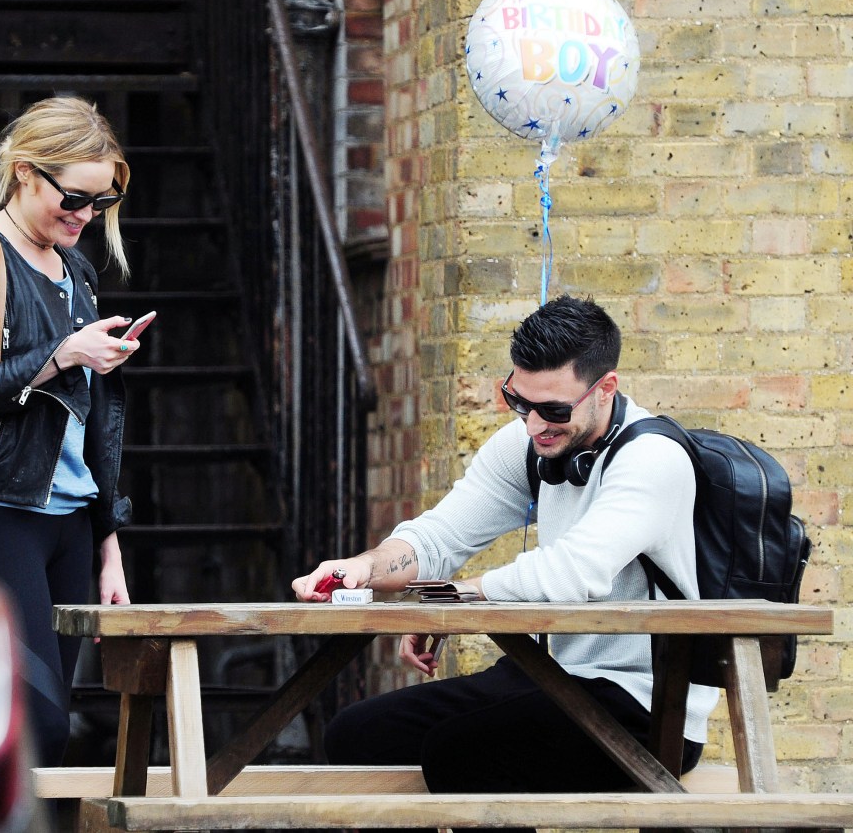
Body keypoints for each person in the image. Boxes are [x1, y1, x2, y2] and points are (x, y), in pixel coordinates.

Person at [292, 294, 719, 805]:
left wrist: (449, 598)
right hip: (545, 677)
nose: (535, 424)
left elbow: (570, 573)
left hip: (645, 705)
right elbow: (440, 537)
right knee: (358, 736)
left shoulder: (652, 459)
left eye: (554, 409)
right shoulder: (527, 444)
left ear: (605, 389)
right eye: (519, 402)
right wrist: (361, 568)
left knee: (461, 753)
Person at [0, 96, 138, 767]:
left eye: (99, 203)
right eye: (73, 197)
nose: (85, 216)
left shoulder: (77, 271)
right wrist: (63, 356)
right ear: (23, 172)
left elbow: (93, 427)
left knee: (45, 728)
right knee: (27, 726)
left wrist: (109, 542)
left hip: (69, 522)